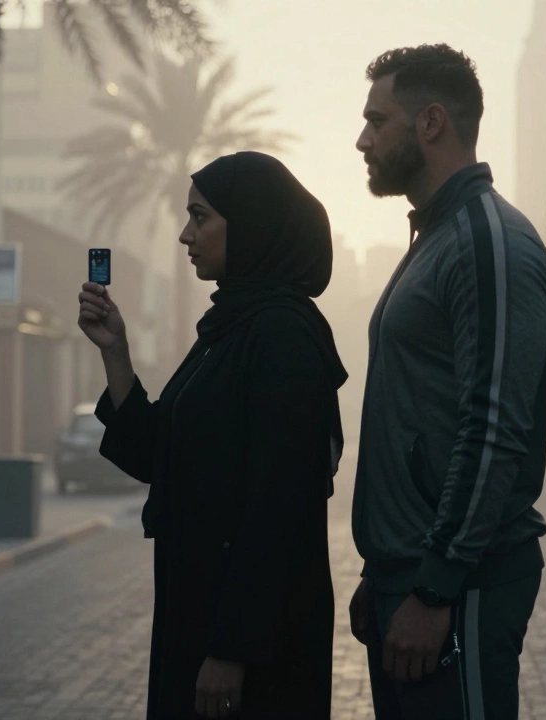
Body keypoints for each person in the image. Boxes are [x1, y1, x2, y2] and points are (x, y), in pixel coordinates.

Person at [77, 152, 347, 719]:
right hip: (202, 615)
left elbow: (279, 508)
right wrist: (116, 351)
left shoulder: (282, 338)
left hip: (253, 646)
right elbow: (161, 456)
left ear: (250, 223)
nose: (185, 234)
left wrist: (231, 649)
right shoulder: (228, 330)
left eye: (200, 217)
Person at [347, 44, 546, 719]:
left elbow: (493, 426)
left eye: (377, 120)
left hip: (460, 589)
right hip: (407, 580)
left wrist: (434, 589)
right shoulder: (438, 239)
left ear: (431, 122)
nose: (362, 139)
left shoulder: (487, 243)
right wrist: (380, 573)